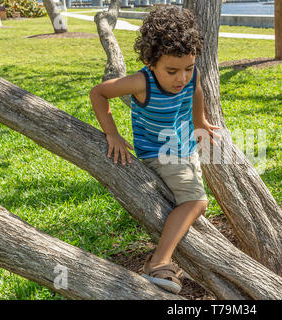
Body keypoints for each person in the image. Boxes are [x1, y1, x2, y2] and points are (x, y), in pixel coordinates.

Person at [89, 6, 221, 294]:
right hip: (159, 156)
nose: (181, 78)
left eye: (187, 68)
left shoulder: (191, 73)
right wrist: (112, 133)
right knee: (196, 203)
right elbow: (98, 93)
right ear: (151, 62)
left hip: (184, 150)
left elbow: (197, 90)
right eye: (171, 71)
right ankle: (159, 262)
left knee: (190, 201)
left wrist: (200, 122)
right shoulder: (141, 82)